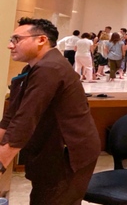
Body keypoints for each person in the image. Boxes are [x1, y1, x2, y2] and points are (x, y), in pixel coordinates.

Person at [0, 17, 100, 204]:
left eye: (16, 39)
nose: (10, 45)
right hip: (50, 150)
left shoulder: (50, 68)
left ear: (41, 40)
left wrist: (1, 163)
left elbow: (25, 120)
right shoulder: (35, 68)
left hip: (69, 153)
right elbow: (12, 116)